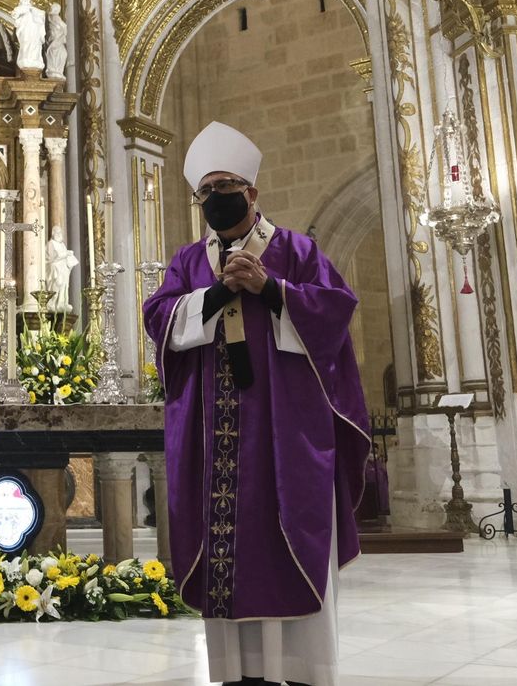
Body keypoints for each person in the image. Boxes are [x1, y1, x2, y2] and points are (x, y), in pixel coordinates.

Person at [143, 121, 369, 686]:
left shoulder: (296, 250)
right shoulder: (190, 261)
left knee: (289, 537)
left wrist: (272, 289)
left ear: (253, 192)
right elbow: (158, 318)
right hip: (215, 439)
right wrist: (217, 293)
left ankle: (303, 673)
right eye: (207, 191)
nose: (217, 198)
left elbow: (335, 311)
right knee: (231, 559)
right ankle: (240, 675)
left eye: (228, 186)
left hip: (285, 433)